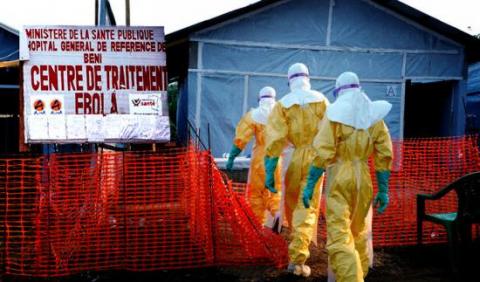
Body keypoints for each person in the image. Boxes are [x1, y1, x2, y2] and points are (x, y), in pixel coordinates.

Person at [302, 71, 393, 281]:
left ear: (339, 91)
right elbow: (384, 155)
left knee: (340, 235)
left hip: (339, 177)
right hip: (364, 178)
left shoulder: (334, 114)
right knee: (359, 232)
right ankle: (360, 272)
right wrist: (384, 190)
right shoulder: (374, 116)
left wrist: (309, 186)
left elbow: (322, 153)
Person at [264, 62, 329, 277]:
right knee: (306, 206)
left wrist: (270, 170)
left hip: (292, 158)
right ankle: (298, 257)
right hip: (315, 159)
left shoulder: (282, 105)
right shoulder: (321, 101)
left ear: (289, 80)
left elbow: (274, 139)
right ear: (308, 77)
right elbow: (332, 131)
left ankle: (298, 250)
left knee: (294, 205)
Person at [226, 86, 281, 225]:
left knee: (256, 195)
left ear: (260, 99)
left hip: (259, 160)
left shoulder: (253, 115)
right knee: (275, 192)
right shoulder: (282, 114)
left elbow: (241, 139)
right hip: (277, 159)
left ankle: (257, 227)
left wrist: (231, 158)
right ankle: (277, 213)